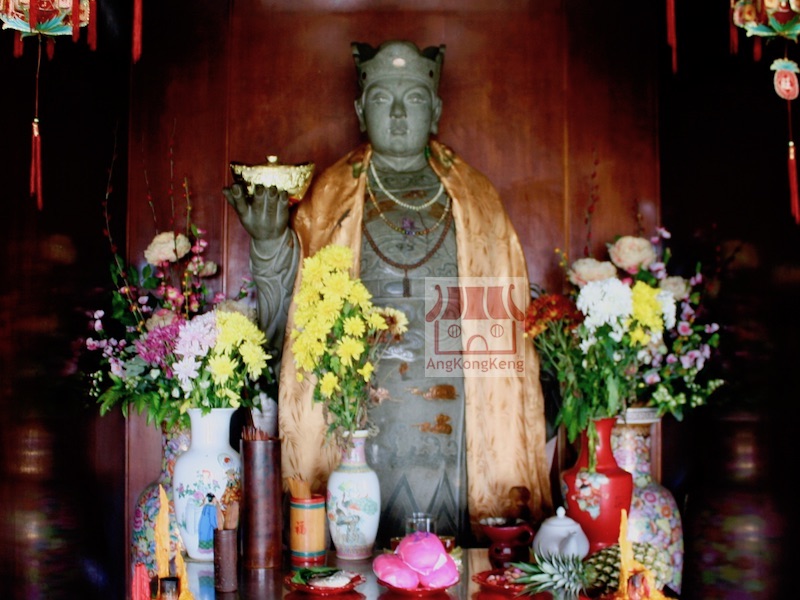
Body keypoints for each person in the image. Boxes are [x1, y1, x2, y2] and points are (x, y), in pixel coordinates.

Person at [225, 40, 552, 545]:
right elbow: (286, 327)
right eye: (382, 99)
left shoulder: (475, 201)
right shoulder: (331, 196)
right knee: (355, 551)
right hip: (357, 418)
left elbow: (495, 362)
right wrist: (270, 246)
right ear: (359, 110)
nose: (398, 114)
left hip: (451, 420)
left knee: (448, 556)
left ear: (437, 109)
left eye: (414, 99)